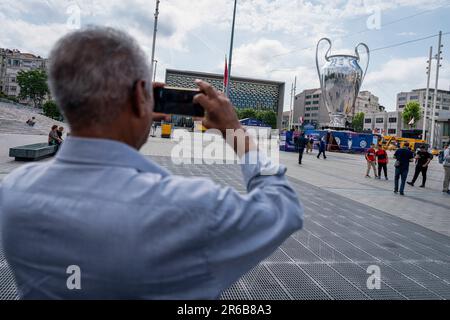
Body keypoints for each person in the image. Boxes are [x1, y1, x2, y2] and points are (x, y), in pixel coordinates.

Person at [0, 27, 303, 300]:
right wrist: (236, 133)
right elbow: (283, 208)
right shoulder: (190, 207)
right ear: (137, 96)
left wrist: (138, 112)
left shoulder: (13, 193)